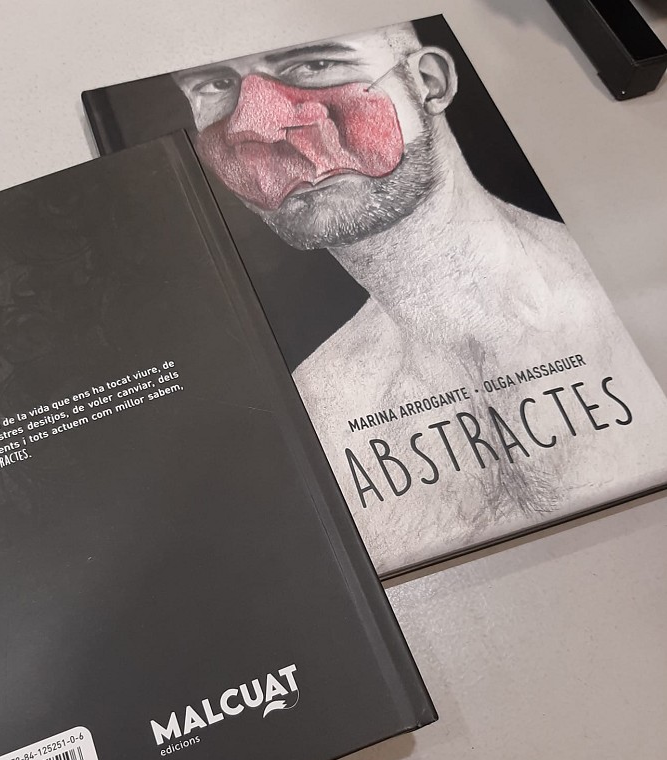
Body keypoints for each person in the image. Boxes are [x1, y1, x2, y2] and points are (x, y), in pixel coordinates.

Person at [174, 23, 667, 572]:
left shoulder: (638, 307)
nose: (256, 125)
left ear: (429, 82)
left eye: (315, 65)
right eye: (216, 85)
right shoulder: (314, 408)